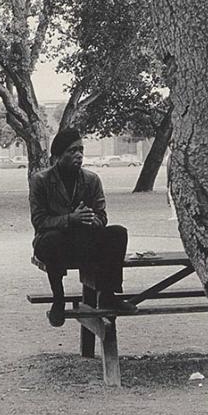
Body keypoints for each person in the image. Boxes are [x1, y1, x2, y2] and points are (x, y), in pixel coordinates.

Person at [29, 128, 137, 327]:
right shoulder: (40, 181)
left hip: (83, 241)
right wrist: (71, 218)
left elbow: (102, 216)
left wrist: (94, 220)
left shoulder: (91, 179)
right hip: (53, 245)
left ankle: (107, 294)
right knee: (53, 239)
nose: (78, 155)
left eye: (80, 150)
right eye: (72, 151)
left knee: (118, 232)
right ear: (58, 156)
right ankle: (58, 299)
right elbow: (39, 221)